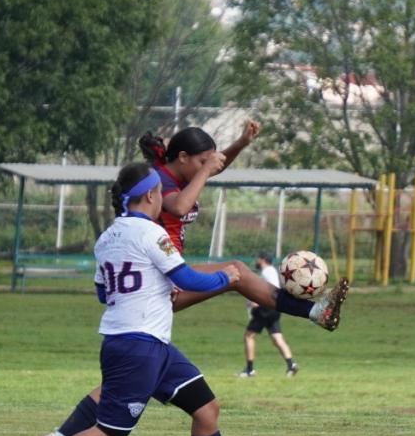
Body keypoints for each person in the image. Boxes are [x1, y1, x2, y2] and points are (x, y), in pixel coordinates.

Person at [7, 162, 266, 436]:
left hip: (147, 343)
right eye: (160, 192)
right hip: (138, 345)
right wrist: (227, 277)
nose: (163, 198)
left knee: (207, 409)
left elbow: (102, 291)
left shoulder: (107, 237)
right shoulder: (151, 234)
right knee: (110, 433)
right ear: (150, 195)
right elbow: (189, 279)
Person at [139, 123, 348, 330]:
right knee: (236, 272)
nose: (207, 169)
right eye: (202, 162)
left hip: (167, 275)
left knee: (237, 272)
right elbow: (179, 207)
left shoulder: (181, 175)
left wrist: (240, 144)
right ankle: (315, 311)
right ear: (183, 157)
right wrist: (206, 170)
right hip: (154, 283)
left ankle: (316, 311)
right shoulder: (159, 180)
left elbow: (215, 166)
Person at [240, 252, 298, 378]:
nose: (256, 261)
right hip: (274, 309)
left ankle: (250, 370)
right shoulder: (271, 271)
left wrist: (258, 301)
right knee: (277, 338)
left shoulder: (267, 272)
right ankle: (291, 365)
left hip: (266, 309)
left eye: (258, 258)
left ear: (262, 260)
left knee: (249, 336)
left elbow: (272, 288)